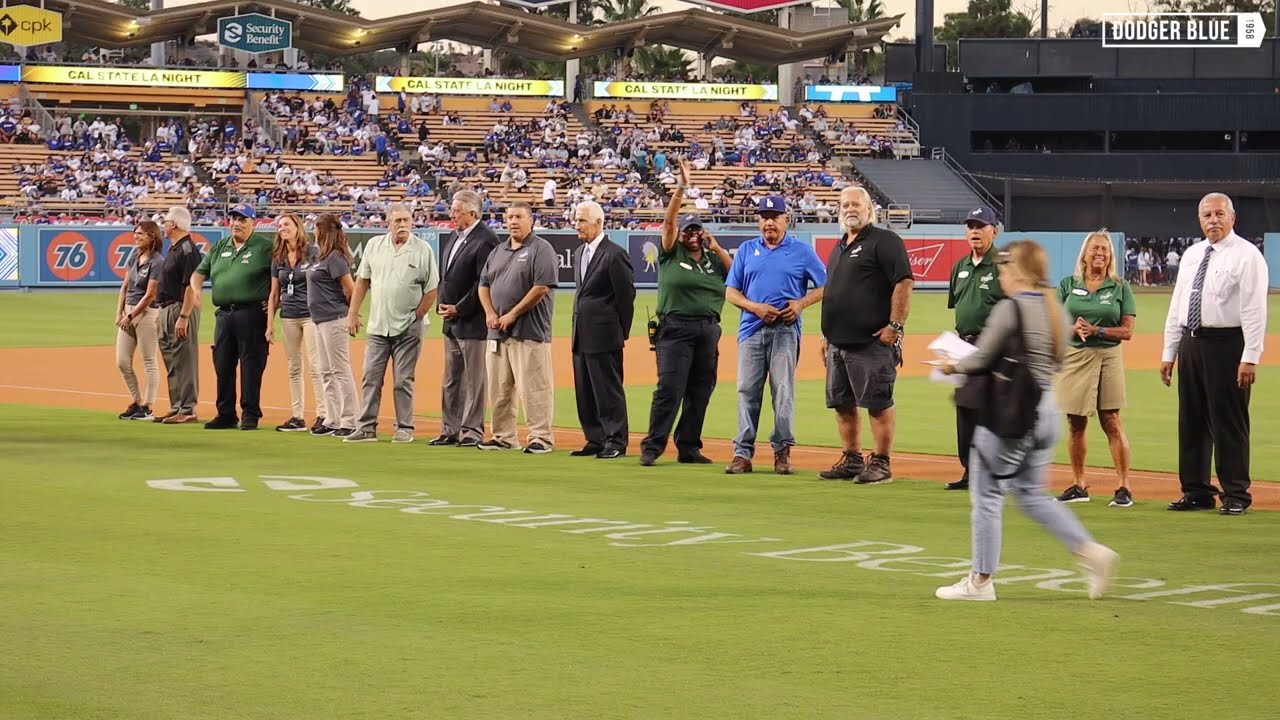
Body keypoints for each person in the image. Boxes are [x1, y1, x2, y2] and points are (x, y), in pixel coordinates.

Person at [935, 240, 1119, 602]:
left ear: (1016, 271)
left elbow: (982, 358)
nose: (1001, 275)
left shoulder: (1011, 308)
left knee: (987, 496)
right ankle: (1090, 551)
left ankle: (980, 581)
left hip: (1010, 417)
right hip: (1046, 411)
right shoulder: (1056, 311)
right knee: (1031, 494)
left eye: (1004, 268)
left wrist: (950, 364)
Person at [1161, 193, 1268, 516]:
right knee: (1191, 419)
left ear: (1233, 218)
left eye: (1220, 214)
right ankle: (1197, 490)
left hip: (1228, 343)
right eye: (1207, 215)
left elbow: (1254, 309)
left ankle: (1236, 494)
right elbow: (1178, 304)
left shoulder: (1248, 256)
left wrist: (1250, 355)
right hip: (1192, 341)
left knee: (1229, 421)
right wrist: (1170, 351)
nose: (1213, 220)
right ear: (1199, 219)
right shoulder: (1192, 254)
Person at [817, 186, 914, 485]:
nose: (849, 209)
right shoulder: (840, 246)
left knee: (878, 403)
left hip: (871, 343)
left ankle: (882, 463)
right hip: (837, 342)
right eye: (844, 204)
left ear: (869, 208)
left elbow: (904, 283)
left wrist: (895, 327)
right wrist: (825, 335)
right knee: (842, 404)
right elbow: (833, 292)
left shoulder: (884, 241)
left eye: (856, 204)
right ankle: (852, 459)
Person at [724, 195, 827, 475]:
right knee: (747, 391)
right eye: (764, 217)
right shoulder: (746, 250)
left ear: (786, 220)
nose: (769, 222)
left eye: (774, 216)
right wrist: (754, 307)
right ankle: (742, 454)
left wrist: (801, 303)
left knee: (783, 392)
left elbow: (826, 286)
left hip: (785, 329)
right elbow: (731, 292)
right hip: (751, 329)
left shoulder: (802, 251)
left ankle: (782, 452)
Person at [639, 160, 732, 467]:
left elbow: (737, 274)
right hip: (675, 329)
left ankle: (689, 446)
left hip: (708, 329)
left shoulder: (712, 259)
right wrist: (682, 186)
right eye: (687, 229)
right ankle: (653, 446)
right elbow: (668, 223)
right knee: (670, 388)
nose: (692, 234)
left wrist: (716, 247)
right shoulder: (670, 253)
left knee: (701, 389)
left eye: (696, 230)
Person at [1055, 230, 1137, 507]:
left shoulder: (1119, 286)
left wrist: (1097, 329)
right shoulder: (1068, 284)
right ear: (1085, 254)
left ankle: (1124, 487)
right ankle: (1079, 485)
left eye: (1104, 249)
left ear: (1110, 255)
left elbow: (1127, 331)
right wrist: (1072, 328)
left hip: (1107, 356)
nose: (1100, 253)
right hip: (1075, 356)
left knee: (1111, 420)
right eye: (1095, 249)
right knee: (1075, 423)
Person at [345, 203, 439, 443]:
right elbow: (362, 282)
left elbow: (432, 289)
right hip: (379, 325)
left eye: (407, 220)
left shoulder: (422, 249)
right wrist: (353, 313)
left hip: (409, 327)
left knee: (403, 379)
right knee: (371, 377)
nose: (403, 225)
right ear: (388, 223)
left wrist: (417, 316)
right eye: (398, 221)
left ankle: (405, 427)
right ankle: (366, 427)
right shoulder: (375, 245)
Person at [477, 201, 559, 454]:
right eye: (510, 217)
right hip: (497, 332)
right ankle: (503, 436)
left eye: (519, 217)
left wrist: (512, 314)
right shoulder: (498, 250)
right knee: (500, 389)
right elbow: (484, 284)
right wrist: (490, 312)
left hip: (529, 331)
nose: (513, 221)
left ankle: (541, 437)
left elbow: (542, 286)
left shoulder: (540, 248)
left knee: (534, 387)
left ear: (530, 220)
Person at [185, 203, 273, 430]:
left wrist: (274, 306)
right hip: (224, 314)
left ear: (254, 222)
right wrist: (196, 291)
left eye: (242, 219)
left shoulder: (265, 247)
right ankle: (226, 413)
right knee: (223, 364)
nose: (236, 223)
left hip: (252, 312)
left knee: (251, 364)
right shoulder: (220, 246)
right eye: (233, 219)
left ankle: (250, 414)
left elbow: (278, 279)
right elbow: (198, 274)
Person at [940, 206, 1004, 491]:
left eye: (981, 226)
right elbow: (961, 311)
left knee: (993, 410)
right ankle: (970, 471)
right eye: (970, 226)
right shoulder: (960, 267)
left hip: (995, 346)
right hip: (963, 344)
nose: (974, 231)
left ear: (995, 230)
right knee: (965, 409)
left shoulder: (1004, 265)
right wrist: (951, 347)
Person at [569, 200, 636, 459]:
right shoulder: (579, 253)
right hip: (581, 333)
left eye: (582, 221)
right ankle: (595, 438)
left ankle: (616, 440)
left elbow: (626, 297)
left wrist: (621, 332)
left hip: (605, 334)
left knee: (608, 390)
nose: (577, 225)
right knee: (585, 390)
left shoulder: (614, 254)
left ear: (599, 223)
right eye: (576, 220)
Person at [434, 189, 500, 447]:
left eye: (457, 210)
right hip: (451, 322)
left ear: (473, 213)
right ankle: (450, 429)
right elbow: (446, 276)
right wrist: (443, 303)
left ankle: (472, 431)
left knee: (475, 381)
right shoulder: (454, 236)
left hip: (472, 322)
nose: (452, 214)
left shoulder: (486, 240)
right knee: (452, 380)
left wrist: (459, 308)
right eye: (452, 209)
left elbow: (483, 282)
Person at [265, 213, 325, 433]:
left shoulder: (313, 253)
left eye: (287, 224)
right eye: (280, 226)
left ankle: (323, 414)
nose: (283, 228)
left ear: (298, 227)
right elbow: (273, 294)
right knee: (294, 367)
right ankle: (298, 416)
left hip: (310, 315)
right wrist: (270, 324)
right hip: (288, 315)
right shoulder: (278, 257)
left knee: (316, 366)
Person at [308, 214, 360, 438]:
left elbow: (352, 289)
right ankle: (333, 417)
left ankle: (350, 419)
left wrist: (352, 315)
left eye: (315, 228)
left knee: (340, 369)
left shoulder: (336, 258)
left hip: (334, 318)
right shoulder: (322, 257)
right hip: (320, 319)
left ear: (323, 231)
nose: (313, 232)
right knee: (326, 371)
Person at [154, 206, 203, 425]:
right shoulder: (174, 249)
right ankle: (176, 406)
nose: (163, 224)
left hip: (181, 308)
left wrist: (184, 316)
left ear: (174, 224)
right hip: (167, 307)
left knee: (185, 359)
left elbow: (191, 286)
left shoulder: (188, 250)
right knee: (172, 360)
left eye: (165, 221)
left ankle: (188, 408)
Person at [114, 220, 164, 421]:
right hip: (128, 311)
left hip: (146, 314)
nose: (136, 237)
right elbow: (125, 287)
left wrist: (131, 315)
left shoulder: (158, 262)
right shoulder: (134, 257)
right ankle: (136, 401)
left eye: (140, 234)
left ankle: (148, 406)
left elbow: (151, 294)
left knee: (149, 361)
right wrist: (119, 312)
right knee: (122, 361)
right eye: (135, 233)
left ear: (152, 236)